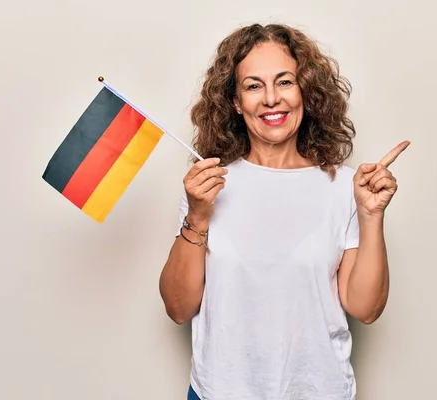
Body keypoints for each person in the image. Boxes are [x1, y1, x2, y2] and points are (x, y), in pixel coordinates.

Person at [159, 23, 410, 400]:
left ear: (306, 91)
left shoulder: (344, 188)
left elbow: (365, 308)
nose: (271, 99)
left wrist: (371, 216)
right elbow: (179, 308)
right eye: (253, 85)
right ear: (235, 101)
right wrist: (196, 217)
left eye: (285, 82)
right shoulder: (207, 186)